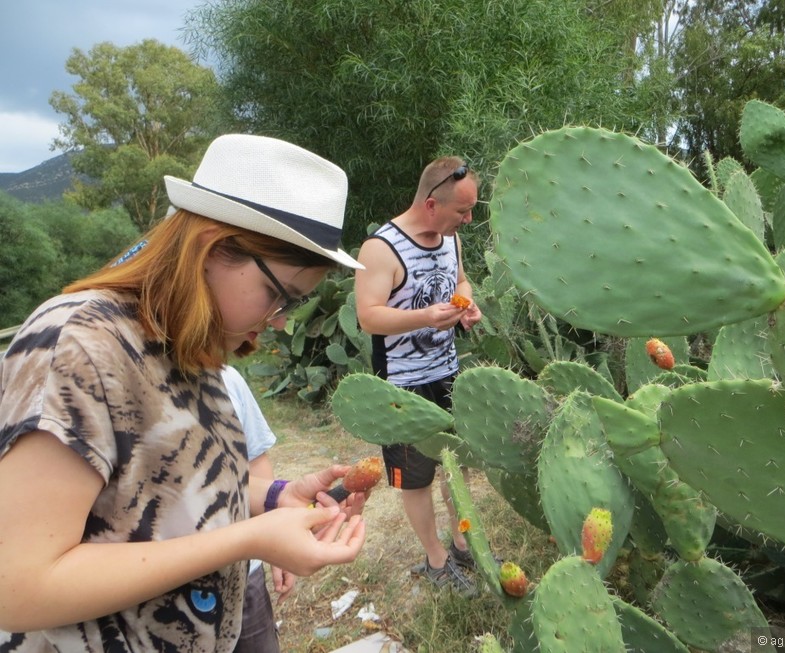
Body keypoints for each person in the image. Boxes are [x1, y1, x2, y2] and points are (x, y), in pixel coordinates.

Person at [0, 134, 368, 652]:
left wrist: (273, 496)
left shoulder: (186, 341)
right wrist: (249, 540)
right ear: (213, 249)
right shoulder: (78, 345)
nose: (281, 322)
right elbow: (19, 587)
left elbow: (159, 490)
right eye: (279, 295)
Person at [354, 156, 482, 596]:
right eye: (461, 212)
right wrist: (426, 316)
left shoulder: (451, 240)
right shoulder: (380, 249)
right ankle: (436, 560)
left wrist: (466, 305)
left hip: (448, 372)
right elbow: (368, 317)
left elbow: (461, 281)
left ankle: (464, 544)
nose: (467, 220)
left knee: (455, 467)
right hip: (403, 386)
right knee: (417, 478)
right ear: (431, 204)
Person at [221, 365, 290, 653]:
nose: (276, 325)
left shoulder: (228, 378)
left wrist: (276, 538)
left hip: (245, 577)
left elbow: (256, 463)